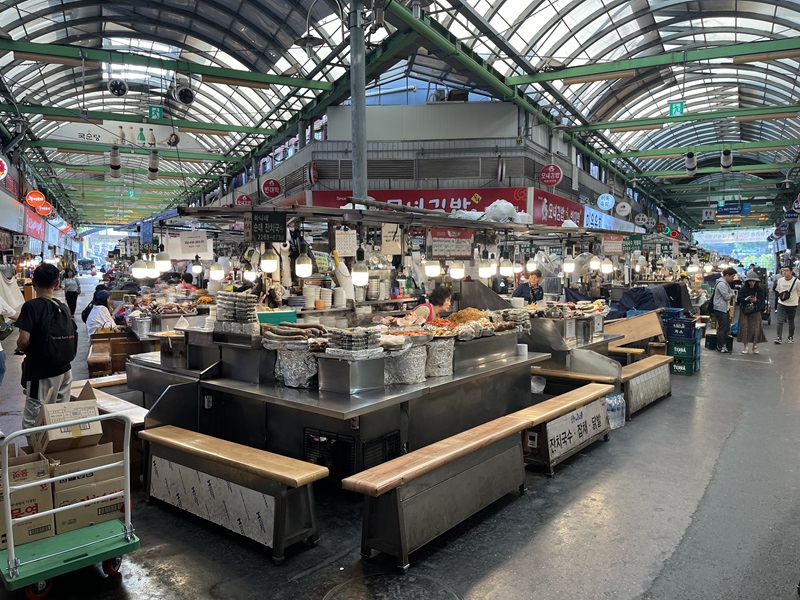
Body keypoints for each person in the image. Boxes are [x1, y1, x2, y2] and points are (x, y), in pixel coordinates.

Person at [16, 263, 78, 430]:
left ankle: (38, 454)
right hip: (65, 369)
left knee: (34, 420)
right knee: (59, 414)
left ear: (33, 282)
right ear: (57, 284)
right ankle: (57, 450)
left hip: (41, 371)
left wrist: (19, 346)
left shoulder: (31, 306)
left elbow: (23, 340)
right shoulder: (62, 306)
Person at [736, 272, 767, 354]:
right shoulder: (743, 288)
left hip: (755, 311)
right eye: (750, 281)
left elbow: (762, 301)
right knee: (744, 328)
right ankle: (746, 346)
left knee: (756, 329)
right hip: (745, 311)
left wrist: (756, 300)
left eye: (753, 281)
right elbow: (739, 299)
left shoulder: (760, 289)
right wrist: (746, 299)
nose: (751, 282)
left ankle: (755, 346)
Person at [712, 267, 737, 354]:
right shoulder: (722, 284)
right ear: (727, 275)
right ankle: (720, 346)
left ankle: (723, 344)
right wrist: (731, 294)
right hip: (720, 308)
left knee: (726, 327)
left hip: (724, 308)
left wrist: (730, 294)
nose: (733, 278)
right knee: (723, 328)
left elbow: (731, 293)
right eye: (732, 276)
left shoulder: (726, 284)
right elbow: (727, 296)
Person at [774, 266, 799, 344]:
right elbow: (778, 290)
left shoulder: (797, 282)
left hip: (792, 304)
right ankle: (779, 337)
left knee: (791, 321)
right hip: (781, 303)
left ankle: (790, 337)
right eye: (783, 270)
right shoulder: (780, 280)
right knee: (779, 320)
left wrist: (796, 300)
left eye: (787, 270)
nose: (784, 272)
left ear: (791, 272)